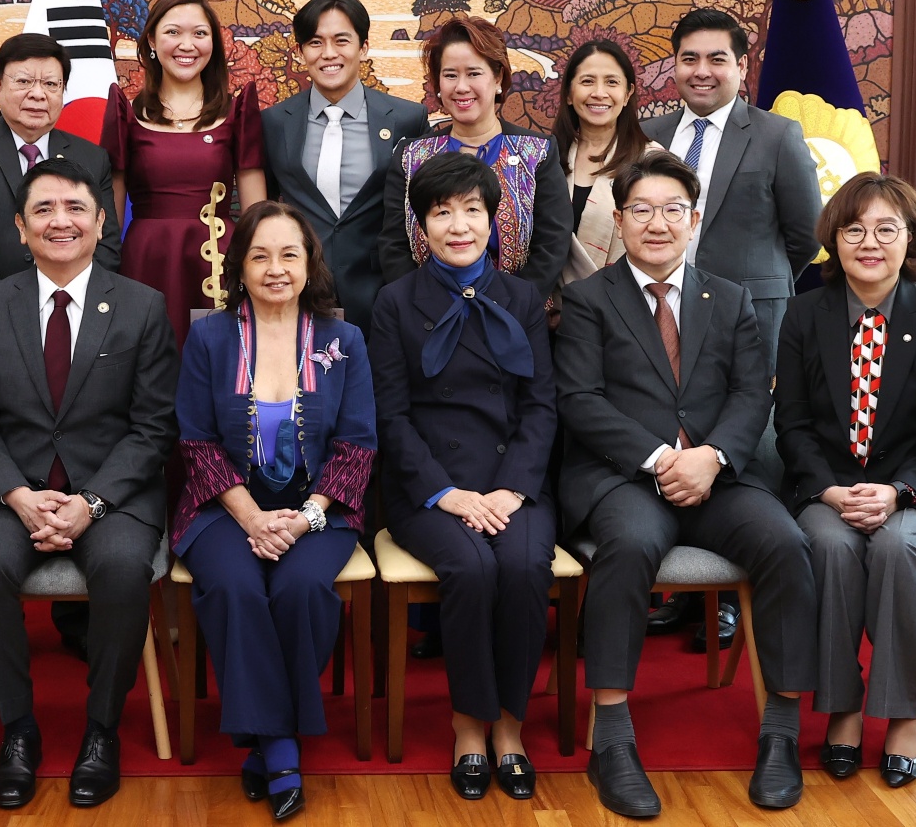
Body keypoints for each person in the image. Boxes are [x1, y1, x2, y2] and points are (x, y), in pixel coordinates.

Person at [555, 150, 817, 816]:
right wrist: (660, 459)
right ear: (619, 219)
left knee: (786, 543)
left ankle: (781, 731)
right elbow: (580, 400)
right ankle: (611, 738)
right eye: (641, 209)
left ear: (694, 219)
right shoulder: (588, 300)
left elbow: (751, 394)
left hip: (718, 477)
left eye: (673, 209)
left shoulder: (728, 299)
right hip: (623, 479)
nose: (658, 223)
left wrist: (713, 459)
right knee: (630, 547)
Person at [0, 158, 178, 810]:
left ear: (102, 222)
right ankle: (18, 729)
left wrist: (93, 502)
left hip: (112, 494)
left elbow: (153, 425)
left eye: (76, 208)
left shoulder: (141, 306)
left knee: (125, 568)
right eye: (43, 210)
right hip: (10, 490)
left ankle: (101, 730)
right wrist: (17, 497)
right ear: (20, 228)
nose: (61, 222)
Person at [175, 201, 376, 821]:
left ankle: (264, 738)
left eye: (289, 254)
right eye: (259, 255)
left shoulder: (344, 340)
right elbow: (195, 440)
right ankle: (281, 745)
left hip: (318, 510)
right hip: (220, 506)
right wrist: (252, 518)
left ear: (310, 263)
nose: (275, 268)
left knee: (302, 587)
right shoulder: (209, 335)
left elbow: (358, 443)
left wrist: (306, 515)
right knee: (235, 586)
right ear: (238, 265)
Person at [774, 172, 916, 789]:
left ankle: (904, 715)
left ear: (911, 238)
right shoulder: (805, 314)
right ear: (833, 239)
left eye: (887, 228)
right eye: (854, 228)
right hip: (827, 486)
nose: (869, 241)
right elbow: (794, 422)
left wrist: (898, 492)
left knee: (897, 546)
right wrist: (830, 491)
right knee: (832, 546)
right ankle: (843, 710)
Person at [371, 152, 556, 803]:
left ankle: (509, 725)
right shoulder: (395, 302)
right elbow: (389, 416)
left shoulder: (523, 297)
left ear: (492, 218)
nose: (459, 225)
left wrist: (510, 488)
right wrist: (449, 494)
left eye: (472, 210)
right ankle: (466, 727)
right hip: (430, 484)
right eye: (442, 212)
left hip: (512, 479)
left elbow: (540, 405)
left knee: (527, 566)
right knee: (472, 569)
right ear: (422, 226)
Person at [642, 8, 820, 369]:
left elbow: (807, 234)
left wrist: (759, 276)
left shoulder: (778, 135)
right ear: (675, 65)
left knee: (750, 420)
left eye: (716, 59)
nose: (702, 71)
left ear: (740, 67)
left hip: (749, 312)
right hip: (657, 309)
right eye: (689, 59)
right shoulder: (647, 134)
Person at [0, 33, 121, 368]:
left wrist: (63, 303)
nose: (37, 93)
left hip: (69, 321)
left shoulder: (92, 158)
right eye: (23, 81)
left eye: (50, 83)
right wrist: (9, 308)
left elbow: (106, 244)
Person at [100, 0, 266, 348]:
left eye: (200, 33)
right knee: (147, 362)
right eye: (173, 32)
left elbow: (256, 214)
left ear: (213, 45)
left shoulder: (235, 114)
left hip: (217, 262)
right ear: (152, 44)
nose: (186, 44)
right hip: (145, 259)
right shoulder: (125, 115)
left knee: (215, 365)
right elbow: (109, 219)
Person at [261, 0, 429, 335]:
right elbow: (263, 204)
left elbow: (419, 209)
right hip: (298, 292)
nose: (328, 54)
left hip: (381, 291)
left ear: (363, 47)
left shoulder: (407, 119)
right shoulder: (274, 122)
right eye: (314, 42)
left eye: (342, 40)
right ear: (300, 52)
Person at [379, 15, 574, 307]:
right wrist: (425, 308)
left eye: (473, 73)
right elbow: (393, 246)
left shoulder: (538, 152)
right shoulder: (410, 157)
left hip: (515, 316)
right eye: (450, 75)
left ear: (498, 79)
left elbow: (552, 244)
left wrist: (505, 306)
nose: (461, 87)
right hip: (427, 319)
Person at [552, 38, 655, 286]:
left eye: (612, 82)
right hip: (547, 311)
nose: (599, 93)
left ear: (628, 93)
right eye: (587, 81)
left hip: (623, 307)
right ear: (568, 94)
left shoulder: (652, 161)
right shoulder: (544, 157)